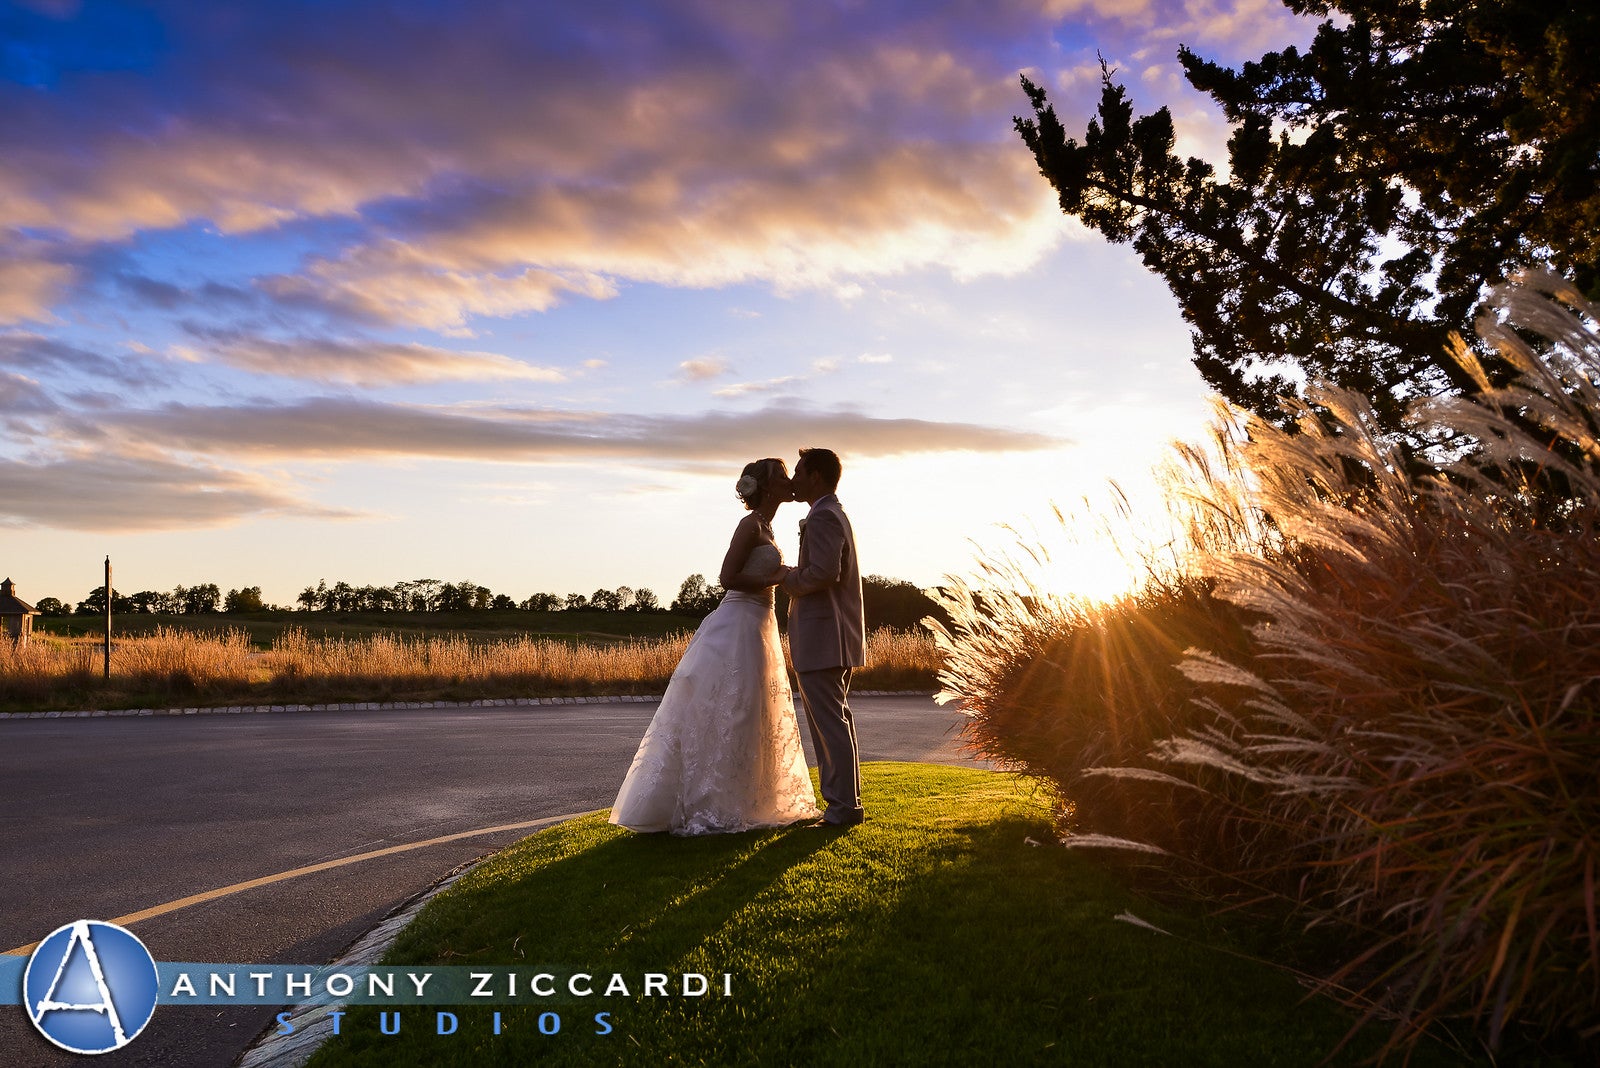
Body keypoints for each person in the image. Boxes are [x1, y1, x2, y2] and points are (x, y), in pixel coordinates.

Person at [610, 458, 821, 834]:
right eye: (781, 476)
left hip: (760, 621)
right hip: (738, 622)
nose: (789, 481)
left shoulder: (767, 527)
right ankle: (710, 801)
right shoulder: (749, 525)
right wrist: (773, 577)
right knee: (731, 707)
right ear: (767, 488)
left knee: (754, 709)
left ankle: (748, 798)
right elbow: (727, 577)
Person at [779, 447, 866, 827]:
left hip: (823, 636)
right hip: (834, 636)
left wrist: (785, 578)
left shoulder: (824, 517)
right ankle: (847, 804)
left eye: (799, 472)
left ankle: (843, 809)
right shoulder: (833, 513)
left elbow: (824, 572)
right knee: (837, 722)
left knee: (831, 726)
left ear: (815, 475)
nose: (794, 480)